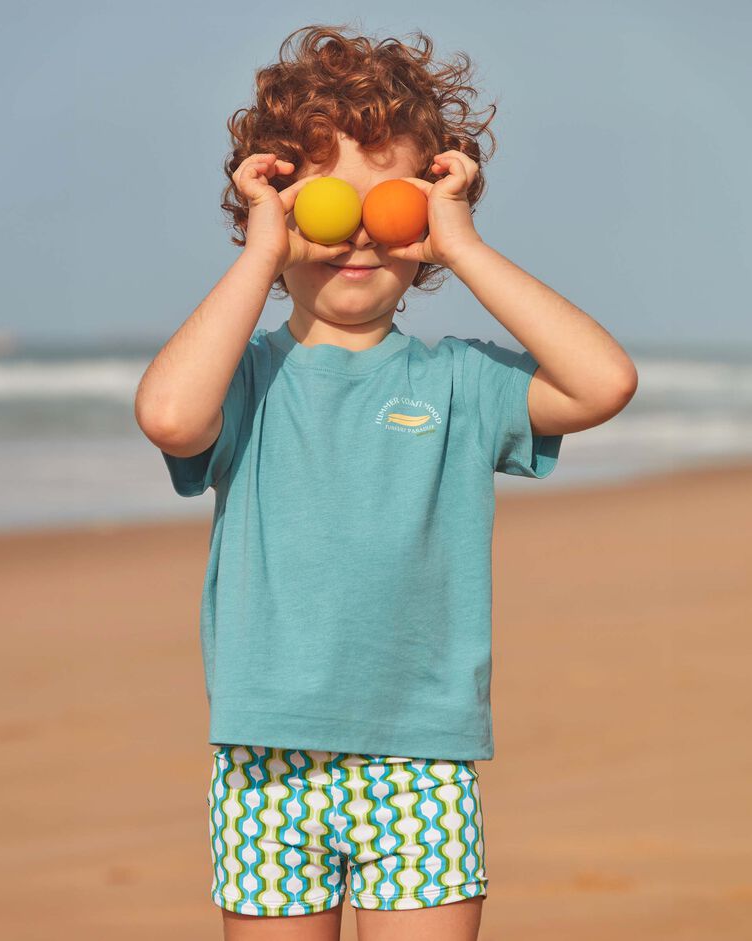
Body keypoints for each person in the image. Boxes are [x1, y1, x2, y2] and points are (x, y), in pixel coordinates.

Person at [135, 23, 637, 941]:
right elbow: (170, 416)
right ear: (280, 208)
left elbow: (602, 382)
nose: (358, 229)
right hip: (267, 758)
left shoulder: (460, 383)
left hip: (422, 755)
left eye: (390, 203)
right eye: (327, 200)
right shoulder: (245, 381)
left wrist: (463, 243)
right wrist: (261, 251)